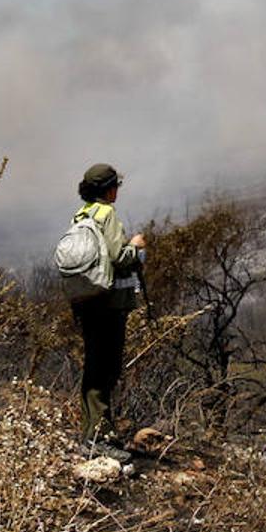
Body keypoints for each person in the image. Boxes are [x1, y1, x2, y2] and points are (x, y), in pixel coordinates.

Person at [71, 163, 147, 461]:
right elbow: (119, 257)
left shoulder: (81, 215)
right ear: (110, 189)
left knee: (94, 368)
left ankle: (93, 435)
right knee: (107, 369)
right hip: (109, 305)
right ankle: (99, 439)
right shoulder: (106, 214)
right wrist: (137, 247)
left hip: (87, 302)